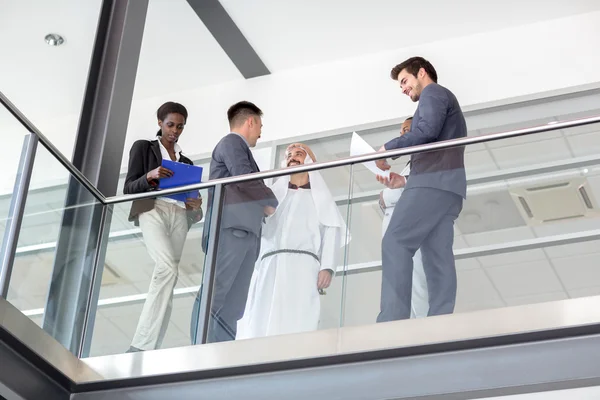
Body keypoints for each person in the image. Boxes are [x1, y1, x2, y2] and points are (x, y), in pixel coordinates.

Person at [374, 57, 466, 322]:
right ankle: (440, 320)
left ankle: (393, 319)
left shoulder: (433, 93)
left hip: (431, 184)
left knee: (395, 241)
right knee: (437, 256)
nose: (403, 88)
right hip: (447, 189)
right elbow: (436, 142)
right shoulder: (444, 100)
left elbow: (426, 131)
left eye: (404, 81)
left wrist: (387, 148)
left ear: (422, 73)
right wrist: (404, 181)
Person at [236, 143, 346, 339]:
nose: (292, 157)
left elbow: (332, 229)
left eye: (299, 154)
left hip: (303, 267)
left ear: (310, 161)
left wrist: (327, 267)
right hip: (270, 264)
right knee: (263, 315)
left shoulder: (320, 197)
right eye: (289, 155)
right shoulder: (271, 195)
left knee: (299, 316)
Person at [192, 101, 279, 343]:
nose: (261, 132)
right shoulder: (231, 143)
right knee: (216, 292)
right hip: (230, 230)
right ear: (250, 121)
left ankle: (221, 349)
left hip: (245, 233)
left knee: (235, 303)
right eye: (260, 125)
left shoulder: (239, 148)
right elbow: (243, 175)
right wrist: (270, 201)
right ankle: (200, 346)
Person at [123, 101, 203, 352]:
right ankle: (141, 344)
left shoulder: (185, 160)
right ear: (160, 122)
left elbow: (196, 211)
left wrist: (196, 205)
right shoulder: (144, 148)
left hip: (180, 215)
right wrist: (150, 175)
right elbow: (128, 188)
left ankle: (151, 345)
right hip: (153, 209)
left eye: (180, 127)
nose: (175, 131)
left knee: (169, 278)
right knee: (166, 267)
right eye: (170, 125)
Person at [379, 117, 429, 319]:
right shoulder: (409, 166)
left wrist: (386, 196)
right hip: (396, 237)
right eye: (401, 132)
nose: (402, 136)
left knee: (416, 282)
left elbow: (422, 187)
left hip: (412, 236)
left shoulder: (429, 161)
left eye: (407, 130)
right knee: (397, 284)